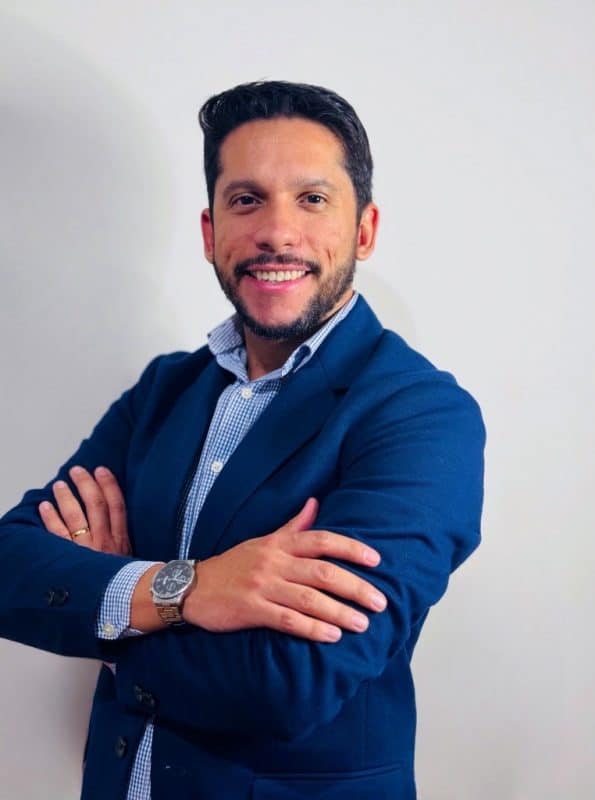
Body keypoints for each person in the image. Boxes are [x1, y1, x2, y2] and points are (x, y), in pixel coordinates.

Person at [0, 81, 485, 800]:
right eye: (247, 199)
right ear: (210, 232)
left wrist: (112, 609)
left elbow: (291, 682)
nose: (277, 233)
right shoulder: (164, 390)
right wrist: (188, 589)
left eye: (312, 199)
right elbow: (9, 565)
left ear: (364, 230)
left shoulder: (420, 415)